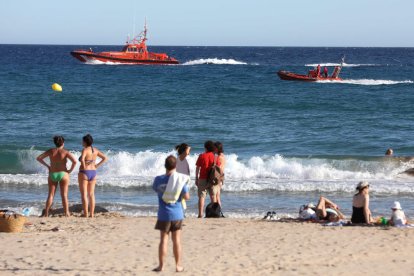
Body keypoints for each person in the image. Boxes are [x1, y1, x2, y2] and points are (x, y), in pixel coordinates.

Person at [153, 155, 190, 272]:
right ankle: (178, 266)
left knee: (163, 240)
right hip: (177, 214)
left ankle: (161, 266)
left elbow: (156, 189)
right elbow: (187, 197)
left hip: (163, 214)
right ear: (176, 166)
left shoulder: (158, 180)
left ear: (165, 166)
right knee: (176, 241)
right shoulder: (180, 180)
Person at [36, 136, 77, 217]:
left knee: (51, 194)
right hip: (63, 174)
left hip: (52, 174)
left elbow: (39, 158)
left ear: (55, 143)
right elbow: (74, 162)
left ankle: (47, 213)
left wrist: (48, 166)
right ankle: (67, 213)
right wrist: (70, 171)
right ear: (63, 143)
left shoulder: (51, 151)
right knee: (64, 195)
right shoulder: (66, 152)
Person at [78, 134, 108, 218]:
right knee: (91, 194)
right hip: (93, 172)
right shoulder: (95, 150)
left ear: (85, 142)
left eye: (82, 141)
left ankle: (86, 214)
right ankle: (91, 214)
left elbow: (83, 159)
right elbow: (105, 158)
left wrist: (83, 166)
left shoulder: (84, 150)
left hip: (84, 172)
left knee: (84, 194)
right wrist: (96, 165)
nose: (82, 142)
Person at [195, 140, 220, 218]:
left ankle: (200, 214)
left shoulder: (202, 156)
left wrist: (196, 178)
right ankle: (214, 213)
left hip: (202, 178)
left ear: (206, 148)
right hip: (212, 179)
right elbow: (218, 169)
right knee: (213, 196)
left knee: (202, 197)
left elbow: (197, 168)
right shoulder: (216, 157)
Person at [214, 141, 226, 207]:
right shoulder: (222, 156)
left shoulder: (219, 157)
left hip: (218, 176)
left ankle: (218, 210)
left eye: (214, 147)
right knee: (217, 195)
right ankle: (218, 210)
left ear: (217, 148)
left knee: (217, 195)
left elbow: (218, 168)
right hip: (221, 177)